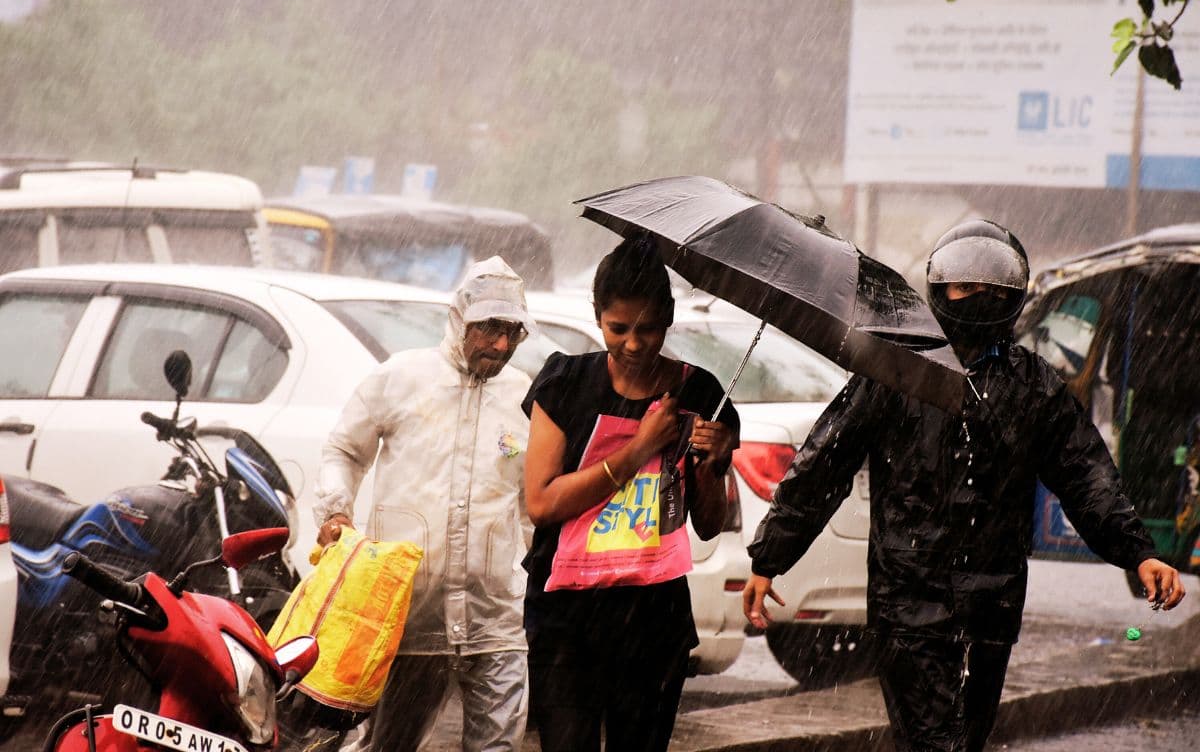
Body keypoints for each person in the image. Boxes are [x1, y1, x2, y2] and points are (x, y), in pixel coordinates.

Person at [743, 220, 1186, 752]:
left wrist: (1137, 553)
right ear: (941, 288)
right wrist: (770, 557)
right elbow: (824, 463)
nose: (980, 298)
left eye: (993, 288)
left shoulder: (1034, 386)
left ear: (1014, 295)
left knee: (966, 740)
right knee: (935, 744)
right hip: (907, 602)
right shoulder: (895, 370)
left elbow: (1087, 476)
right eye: (966, 286)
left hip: (991, 608)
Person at [521, 235, 739, 752]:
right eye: (618, 329)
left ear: (668, 320)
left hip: (653, 620)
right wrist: (640, 446)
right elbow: (542, 503)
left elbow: (708, 524)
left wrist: (712, 465)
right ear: (598, 317)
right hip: (566, 618)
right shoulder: (565, 383)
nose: (634, 345)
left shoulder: (702, 393)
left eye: (648, 329)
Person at [313, 256, 537, 752]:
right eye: (489, 328)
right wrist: (335, 510)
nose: (501, 345)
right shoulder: (401, 379)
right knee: (388, 745)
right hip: (407, 617)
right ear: (459, 320)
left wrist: (539, 583)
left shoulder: (524, 397)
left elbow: (530, 504)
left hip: (495, 619)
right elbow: (344, 450)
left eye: (512, 332)